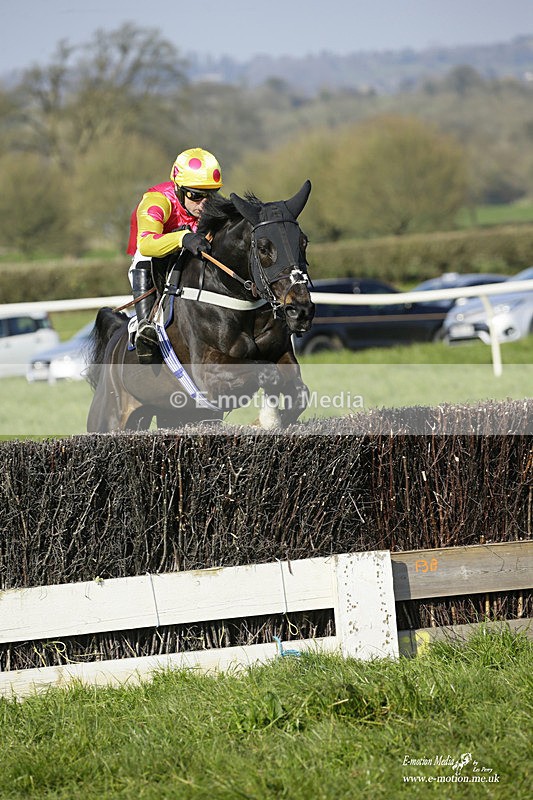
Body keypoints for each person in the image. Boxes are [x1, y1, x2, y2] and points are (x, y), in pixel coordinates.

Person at [126, 147, 223, 363]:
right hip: (157, 259)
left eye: (211, 195)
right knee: (143, 256)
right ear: (179, 189)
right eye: (196, 196)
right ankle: (144, 326)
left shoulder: (209, 204)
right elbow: (147, 244)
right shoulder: (157, 200)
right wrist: (182, 238)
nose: (205, 204)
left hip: (192, 261)